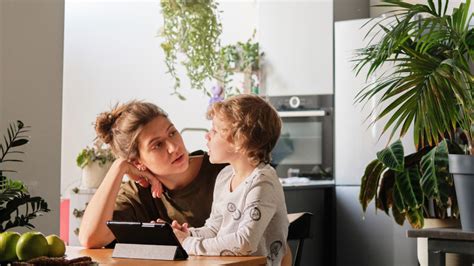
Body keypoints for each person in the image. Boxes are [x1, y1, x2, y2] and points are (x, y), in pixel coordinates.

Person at [78, 101, 227, 248]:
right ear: (137, 163)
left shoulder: (224, 168)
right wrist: (119, 167)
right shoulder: (137, 194)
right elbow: (90, 239)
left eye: (172, 133)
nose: (173, 147)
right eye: (157, 145)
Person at [172, 94, 289, 265]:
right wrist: (185, 235)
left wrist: (187, 243)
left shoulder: (263, 182)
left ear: (239, 141)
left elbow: (245, 243)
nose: (207, 136)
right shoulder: (225, 176)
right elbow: (214, 229)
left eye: (215, 130)